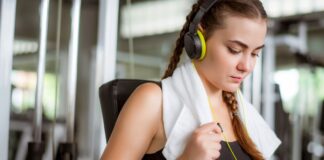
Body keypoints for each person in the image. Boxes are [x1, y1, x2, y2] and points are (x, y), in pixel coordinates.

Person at [101, 0, 281, 159]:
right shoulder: (153, 101)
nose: (247, 66)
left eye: (255, 53)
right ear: (199, 39)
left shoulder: (242, 113)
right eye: (235, 50)